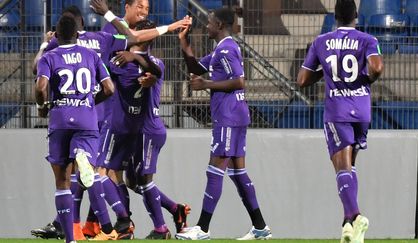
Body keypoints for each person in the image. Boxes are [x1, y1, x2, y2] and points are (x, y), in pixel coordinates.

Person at [91, 0, 192, 236]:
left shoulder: (122, 61)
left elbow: (106, 80)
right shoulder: (156, 63)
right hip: (138, 127)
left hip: (140, 127)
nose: (144, 9)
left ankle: (143, 225)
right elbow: (154, 71)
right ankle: (173, 210)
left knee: (112, 175)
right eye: (141, 5)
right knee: (132, 180)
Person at [175, 8, 272, 240]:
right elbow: (196, 68)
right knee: (239, 173)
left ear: (219, 24)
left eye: (209, 23)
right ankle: (260, 227)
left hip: (228, 117)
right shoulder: (222, 49)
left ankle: (203, 228)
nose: (206, 26)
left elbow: (239, 81)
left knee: (214, 170)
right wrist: (183, 42)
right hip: (237, 115)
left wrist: (206, 84)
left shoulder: (226, 49)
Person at [296, 0, 384, 243]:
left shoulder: (321, 42)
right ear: (356, 16)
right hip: (362, 111)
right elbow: (376, 68)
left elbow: (302, 80)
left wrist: (324, 71)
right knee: (350, 165)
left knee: (341, 167)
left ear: (334, 17)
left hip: (338, 111)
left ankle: (355, 216)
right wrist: (365, 79)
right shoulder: (368, 40)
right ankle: (348, 226)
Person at [35, 14, 115, 243]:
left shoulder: (50, 56)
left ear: (57, 35)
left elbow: (41, 88)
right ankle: (83, 157)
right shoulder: (91, 55)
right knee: (86, 166)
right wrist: (89, 101)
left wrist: (42, 106)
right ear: (77, 34)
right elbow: (109, 88)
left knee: (62, 183)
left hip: (60, 119)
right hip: (86, 119)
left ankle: (70, 239)